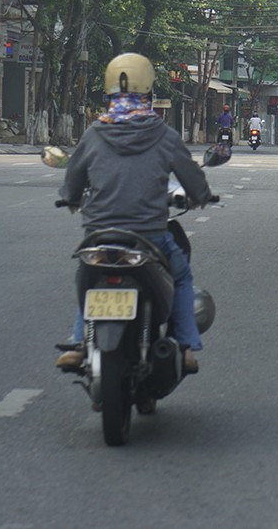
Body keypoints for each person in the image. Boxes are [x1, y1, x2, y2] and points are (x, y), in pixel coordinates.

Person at [57, 53, 214, 373]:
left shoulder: (94, 133)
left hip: (99, 235)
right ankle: (184, 345)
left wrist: (70, 198)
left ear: (109, 94)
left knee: (86, 278)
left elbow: (73, 178)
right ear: (149, 94)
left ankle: (78, 342)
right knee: (181, 276)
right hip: (150, 235)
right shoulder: (163, 134)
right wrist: (201, 196)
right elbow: (191, 176)